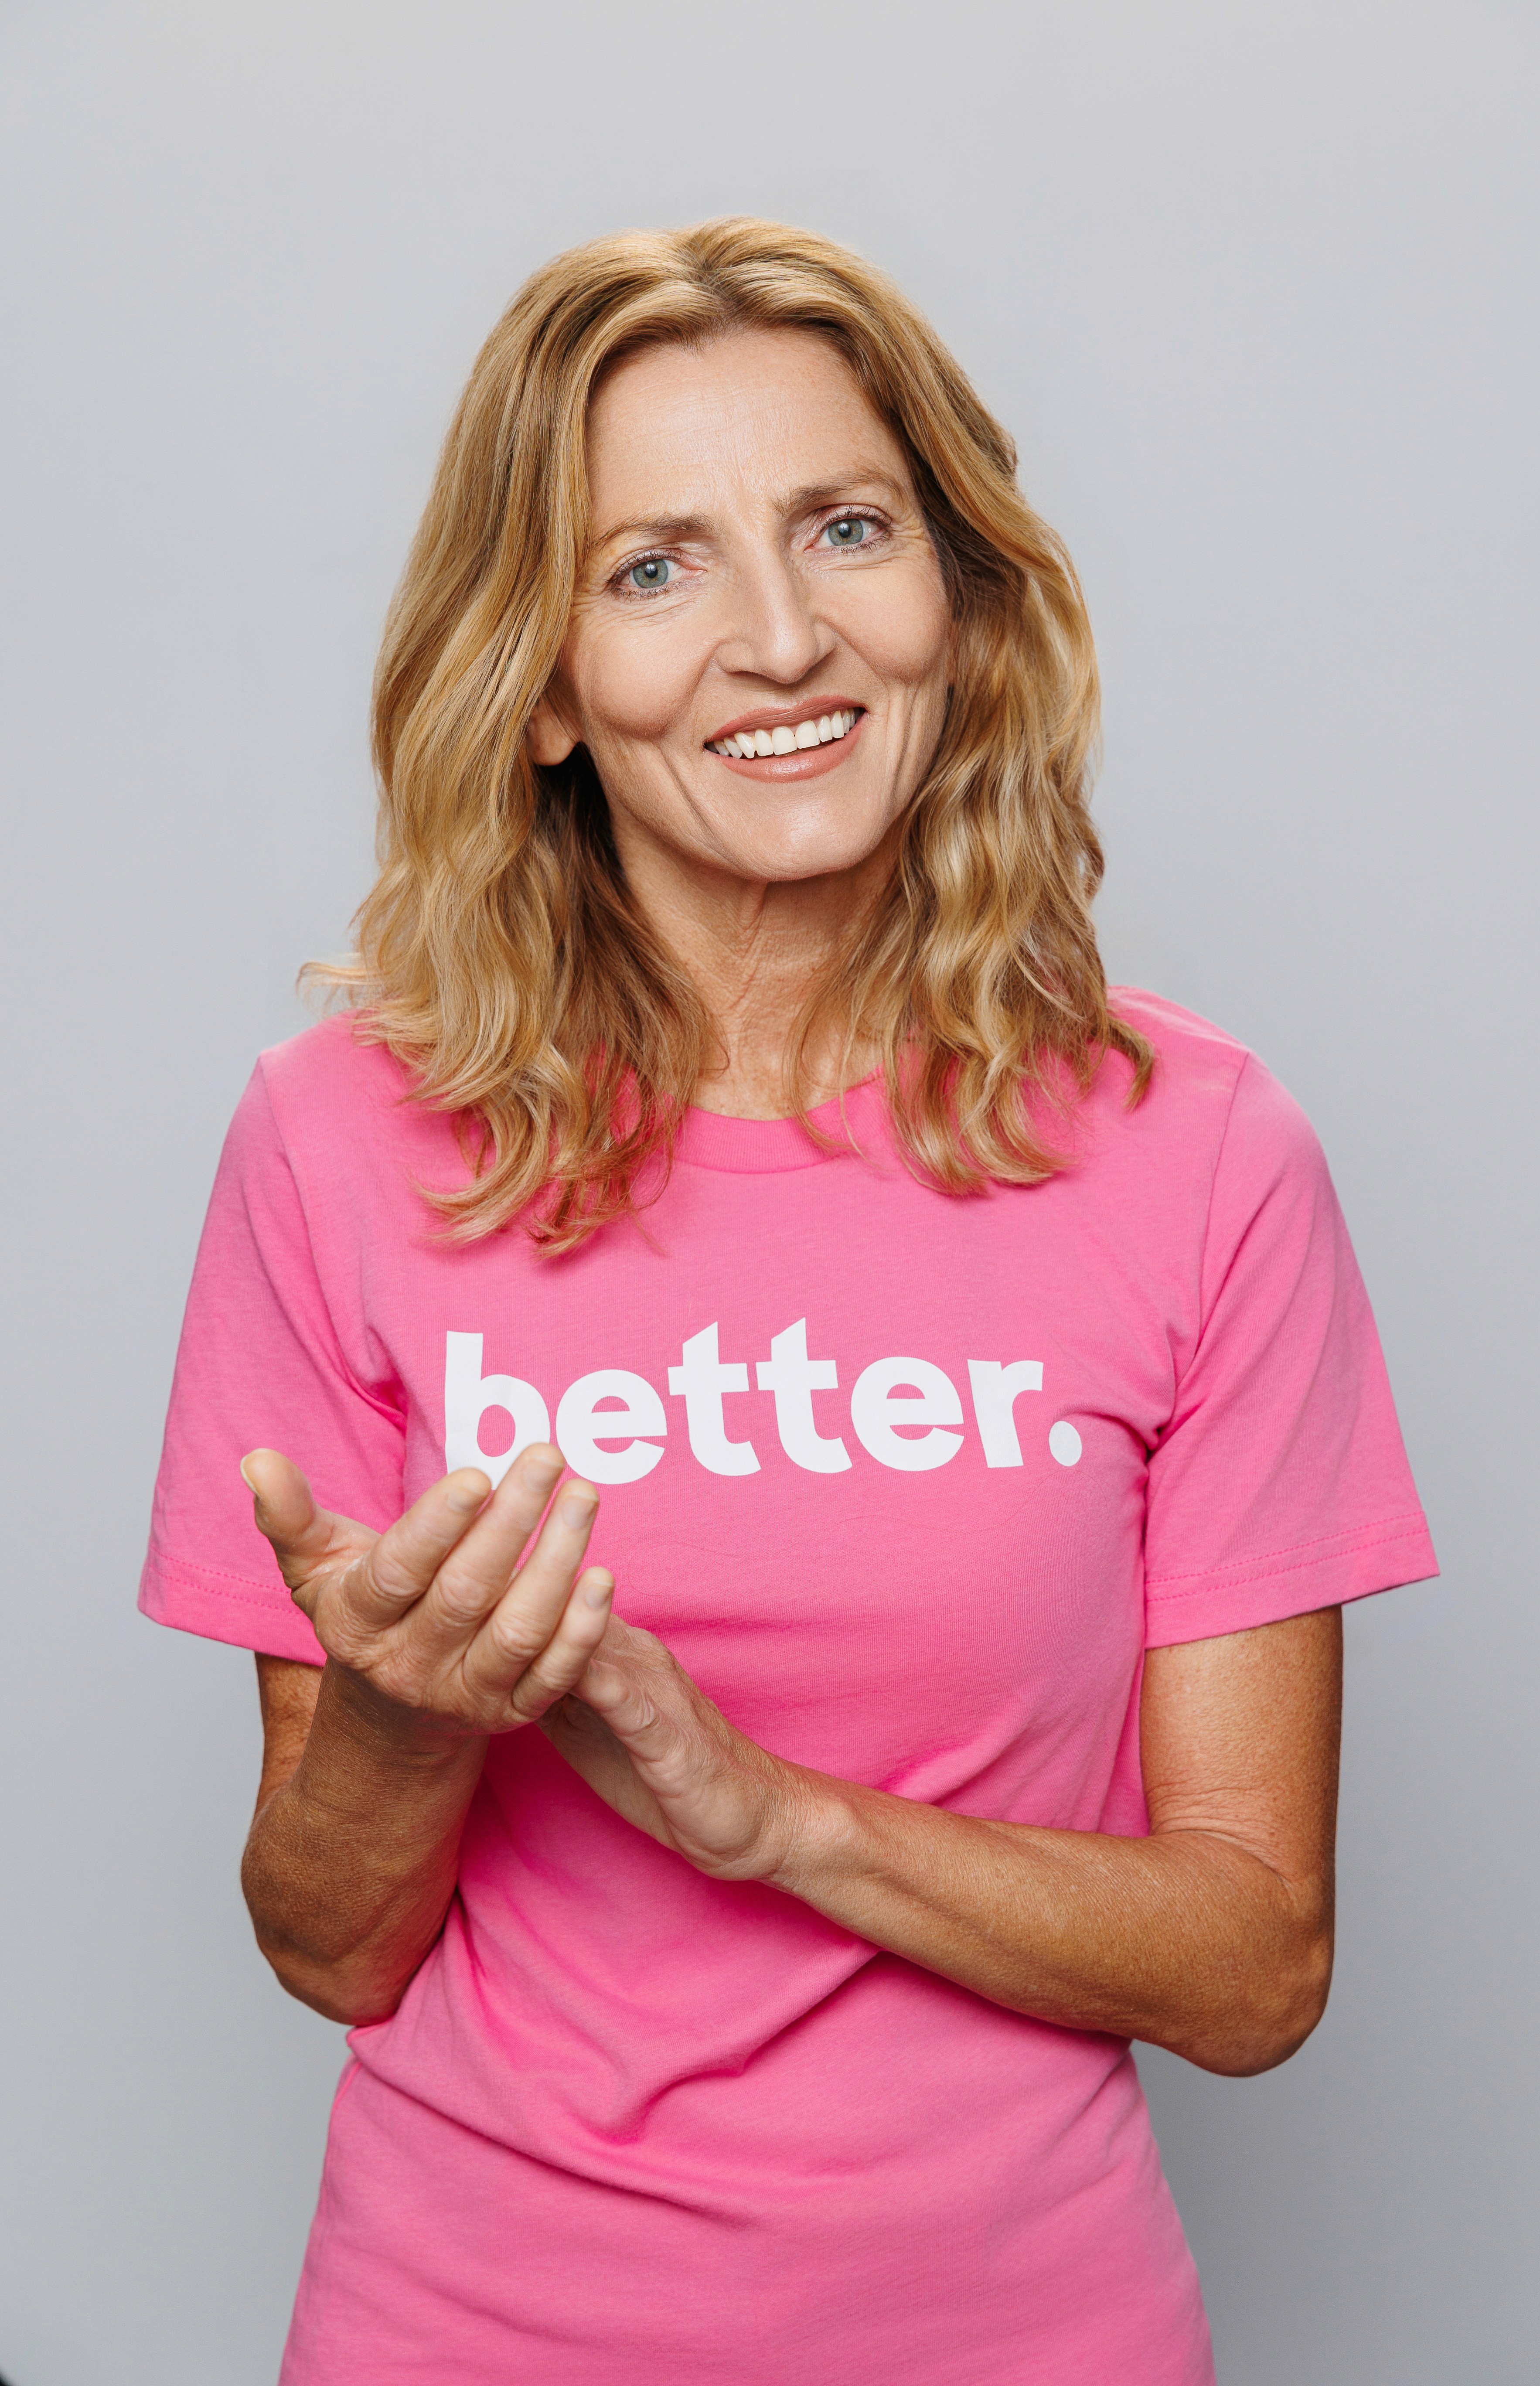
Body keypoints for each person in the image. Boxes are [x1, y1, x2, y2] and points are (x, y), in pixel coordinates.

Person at [140, 218, 1437, 2385]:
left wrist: (773, 1817)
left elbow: (1255, 1970)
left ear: (959, 601)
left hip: (1034, 2338)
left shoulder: (1201, 1151)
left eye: (846, 529)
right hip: (470, 2333)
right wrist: (406, 1713)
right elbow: (332, 1951)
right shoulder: (339, 1139)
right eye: (653, 568)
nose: (778, 639)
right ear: (541, 687)